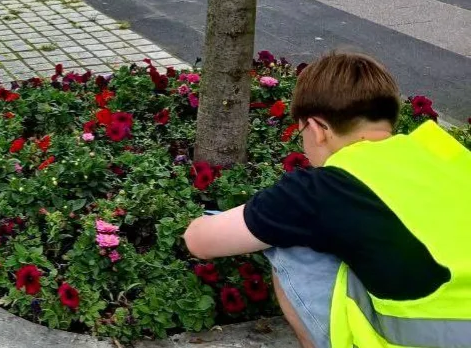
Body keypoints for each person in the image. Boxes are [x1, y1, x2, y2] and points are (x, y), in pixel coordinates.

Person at [182, 51, 471, 348]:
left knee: (289, 242)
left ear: (318, 128)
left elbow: (199, 242)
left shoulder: (324, 189)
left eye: (301, 133)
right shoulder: (447, 155)